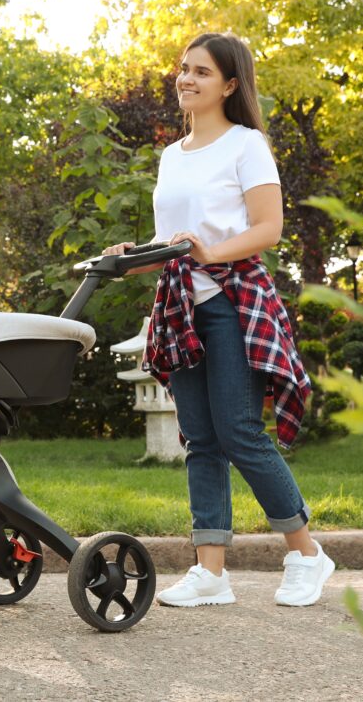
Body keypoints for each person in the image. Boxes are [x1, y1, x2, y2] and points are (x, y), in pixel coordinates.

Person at [103, 32, 333, 607]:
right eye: (184, 68)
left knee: (239, 432)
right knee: (201, 439)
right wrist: (129, 259)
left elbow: (268, 228)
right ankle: (211, 572)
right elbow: (172, 243)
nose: (186, 78)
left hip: (234, 304)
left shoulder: (246, 145)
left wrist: (209, 252)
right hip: (180, 307)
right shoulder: (171, 156)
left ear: (230, 84)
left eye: (201, 71)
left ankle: (307, 554)